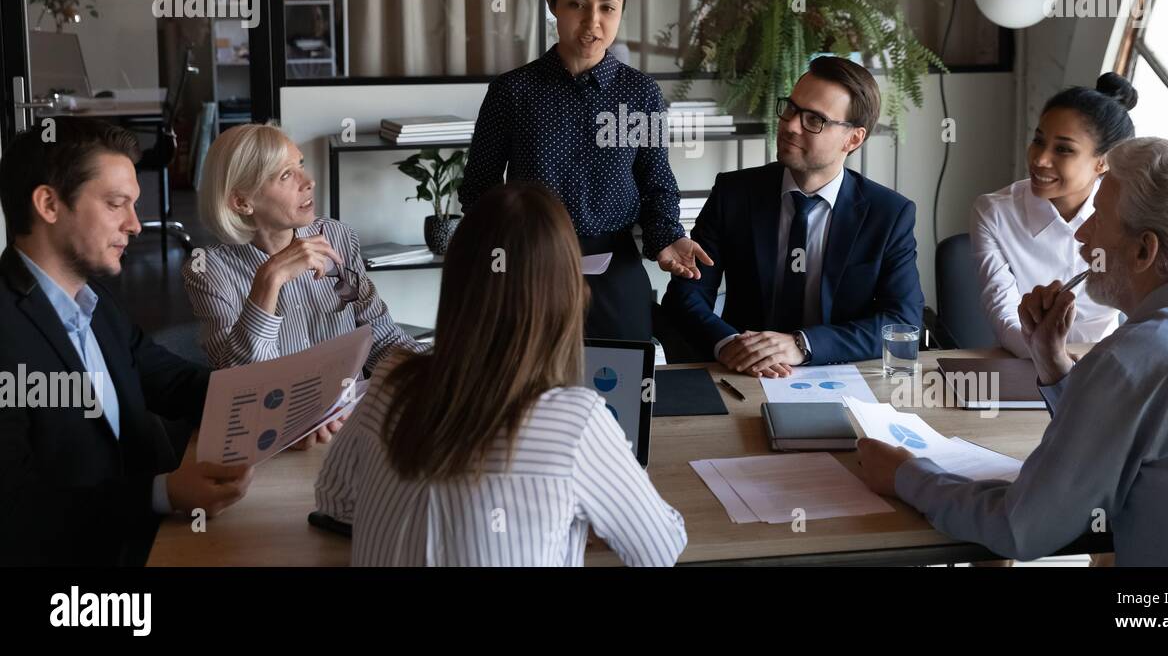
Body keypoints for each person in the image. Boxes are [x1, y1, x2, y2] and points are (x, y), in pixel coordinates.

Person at [858, 138, 1168, 566]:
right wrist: (1053, 362)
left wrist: (904, 474)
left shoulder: (1134, 359)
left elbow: (1022, 529)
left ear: (1145, 250)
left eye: (1099, 218)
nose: (1082, 235)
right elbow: (1125, 436)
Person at [315, 181, 687, 566]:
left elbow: (335, 500)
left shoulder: (392, 380)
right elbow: (658, 550)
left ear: (458, 280)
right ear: (569, 290)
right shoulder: (576, 421)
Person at [0, 118, 252, 565]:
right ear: (49, 204)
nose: (135, 225)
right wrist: (161, 493)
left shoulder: (93, 301)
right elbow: (17, 510)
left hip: (148, 542)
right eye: (118, 204)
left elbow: (172, 381)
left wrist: (277, 402)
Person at [458, 0, 710, 343]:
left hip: (614, 266)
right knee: (530, 390)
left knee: (623, 385)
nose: (593, 22)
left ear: (621, 11)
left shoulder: (640, 93)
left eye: (608, 8)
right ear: (552, 3)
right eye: (577, 4)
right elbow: (480, 188)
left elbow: (656, 180)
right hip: (531, 265)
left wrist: (666, 237)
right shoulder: (513, 91)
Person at [662, 57, 924, 375]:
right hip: (743, 374)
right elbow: (685, 297)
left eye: (814, 119)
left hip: (841, 375)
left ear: (853, 138)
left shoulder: (888, 214)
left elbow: (902, 321)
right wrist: (729, 343)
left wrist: (803, 344)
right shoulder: (735, 193)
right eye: (791, 108)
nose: (790, 125)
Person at [182, 123, 421, 433]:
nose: (309, 182)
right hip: (277, 437)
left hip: (351, 427)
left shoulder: (336, 235)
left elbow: (381, 336)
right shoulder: (208, 271)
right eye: (286, 175)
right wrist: (271, 277)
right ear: (241, 202)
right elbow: (242, 386)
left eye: (301, 165)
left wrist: (435, 372)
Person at [970, 73, 1137, 356]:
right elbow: (1005, 315)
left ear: (1103, 162)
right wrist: (1051, 356)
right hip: (1027, 366)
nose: (1039, 159)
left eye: (1063, 149)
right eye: (1038, 140)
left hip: (1108, 363)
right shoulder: (995, 213)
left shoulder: (1129, 215)